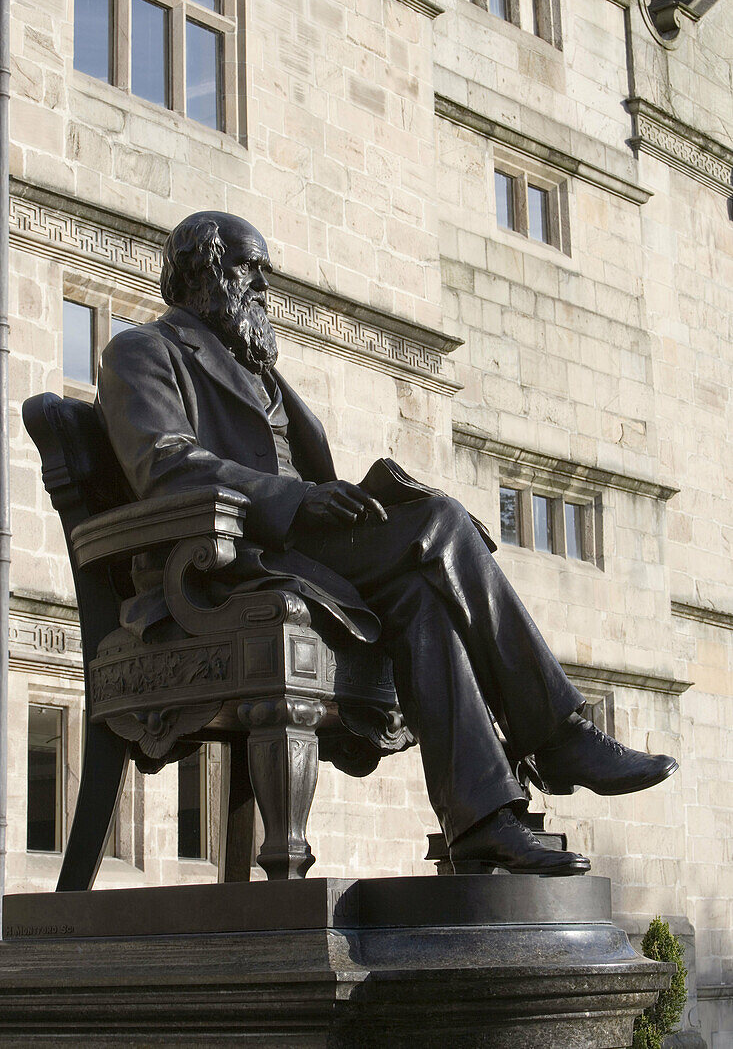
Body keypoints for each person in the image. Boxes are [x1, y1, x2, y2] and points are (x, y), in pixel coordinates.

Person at [95, 211, 678, 877]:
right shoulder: (143, 351)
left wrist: (346, 497)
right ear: (199, 273)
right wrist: (298, 500)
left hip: (304, 555)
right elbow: (167, 465)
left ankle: (482, 819)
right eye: (247, 268)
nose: (262, 286)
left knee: (422, 591)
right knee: (441, 524)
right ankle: (556, 735)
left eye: (263, 272)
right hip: (218, 566)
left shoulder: (259, 367)